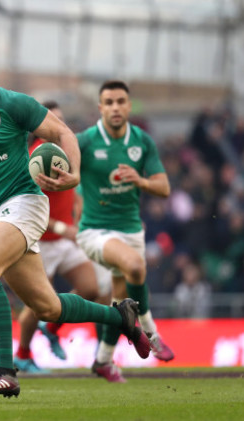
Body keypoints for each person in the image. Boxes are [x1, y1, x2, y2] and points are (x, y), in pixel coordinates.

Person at [0, 47, 151, 399]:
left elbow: (64, 134)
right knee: (47, 307)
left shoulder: (11, 104)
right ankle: (121, 317)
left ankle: (5, 371)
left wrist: (72, 174)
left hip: (25, 203)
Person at [75, 80, 175, 384]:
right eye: (109, 102)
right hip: (94, 231)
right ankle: (151, 332)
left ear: (129, 106)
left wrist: (141, 181)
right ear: (100, 107)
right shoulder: (86, 141)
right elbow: (63, 167)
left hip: (131, 231)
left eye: (121, 101)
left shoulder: (142, 141)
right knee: (133, 265)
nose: (115, 107)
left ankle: (103, 361)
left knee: (119, 304)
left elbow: (164, 188)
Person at [13, 101, 100, 374]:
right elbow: (24, 207)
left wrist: (79, 214)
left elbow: (75, 191)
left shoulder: (67, 150)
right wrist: (65, 229)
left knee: (90, 289)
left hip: (65, 240)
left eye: (62, 120)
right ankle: (23, 355)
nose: (59, 125)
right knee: (38, 305)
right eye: (53, 119)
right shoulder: (33, 157)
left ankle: (50, 329)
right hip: (39, 241)